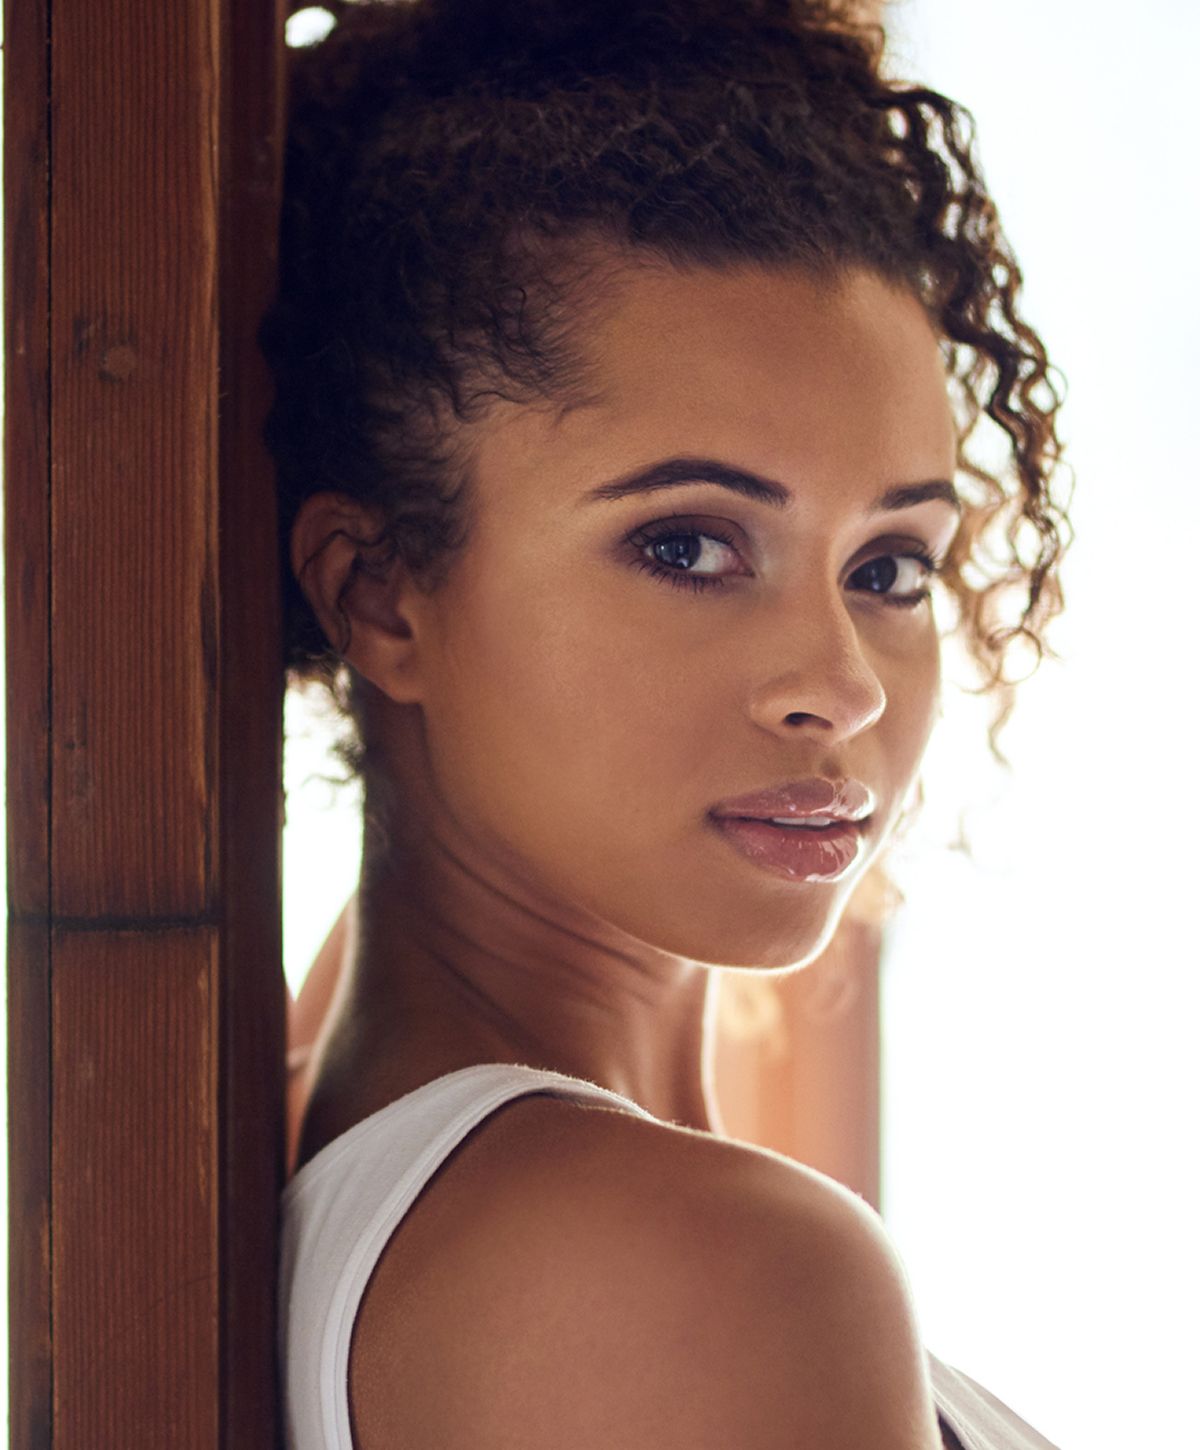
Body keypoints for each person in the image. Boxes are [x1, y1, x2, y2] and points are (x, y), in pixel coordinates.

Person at [265, 1, 1071, 1445]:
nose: (842, 683)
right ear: (381, 592)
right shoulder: (707, 1272)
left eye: (889, 567)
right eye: (689, 547)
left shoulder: (339, 1136)